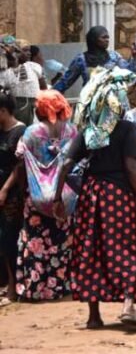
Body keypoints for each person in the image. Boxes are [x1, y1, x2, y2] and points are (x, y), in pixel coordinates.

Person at [55, 68, 136, 327]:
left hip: (90, 197)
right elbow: (131, 168)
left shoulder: (88, 132)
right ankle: (129, 305)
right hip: (120, 198)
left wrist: (56, 199)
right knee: (127, 249)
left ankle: (94, 317)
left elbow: (65, 164)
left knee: (90, 251)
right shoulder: (127, 129)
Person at [3, 90, 76, 301]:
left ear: (42, 108)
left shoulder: (32, 133)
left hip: (36, 198)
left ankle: (36, 288)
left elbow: (20, 162)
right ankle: (61, 287)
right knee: (62, 242)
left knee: (35, 243)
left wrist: (24, 189)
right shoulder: (71, 131)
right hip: (63, 197)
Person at [53, 26, 136, 93]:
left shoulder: (114, 56)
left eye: (108, 38)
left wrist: (134, 56)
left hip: (113, 101)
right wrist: (51, 93)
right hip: (90, 102)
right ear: (93, 39)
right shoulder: (81, 59)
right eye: (103, 37)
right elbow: (66, 81)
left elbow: (129, 73)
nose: (107, 40)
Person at [0, 91, 27, 305]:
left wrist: (5, 190)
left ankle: (13, 287)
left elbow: (19, 167)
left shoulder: (19, 132)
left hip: (12, 194)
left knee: (10, 239)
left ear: (3, 111)